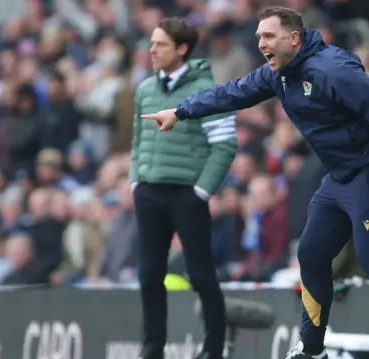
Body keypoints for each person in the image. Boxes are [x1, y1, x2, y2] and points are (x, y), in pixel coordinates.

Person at [142, 6, 369, 359]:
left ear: (293, 38)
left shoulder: (332, 69)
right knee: (310, 253)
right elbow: (231, 92)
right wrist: (180, 111)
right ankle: (311, 349)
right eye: (258, 37)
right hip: (340, 176)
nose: (260, 43)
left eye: (268, 37)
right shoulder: (277, 74)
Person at [130, 17, 238, 359]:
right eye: (151, 43)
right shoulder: (145, 89)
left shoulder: (207, 90)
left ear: (182, 49)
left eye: (160, 44)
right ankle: (152, 349)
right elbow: (137, 141)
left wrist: (202, 191)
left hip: (186, 195)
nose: (152, 50)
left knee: (201, 274)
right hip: (149, 192)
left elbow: (225, 144)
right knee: (149, 275)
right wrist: (136, 179)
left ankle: (213, 348)